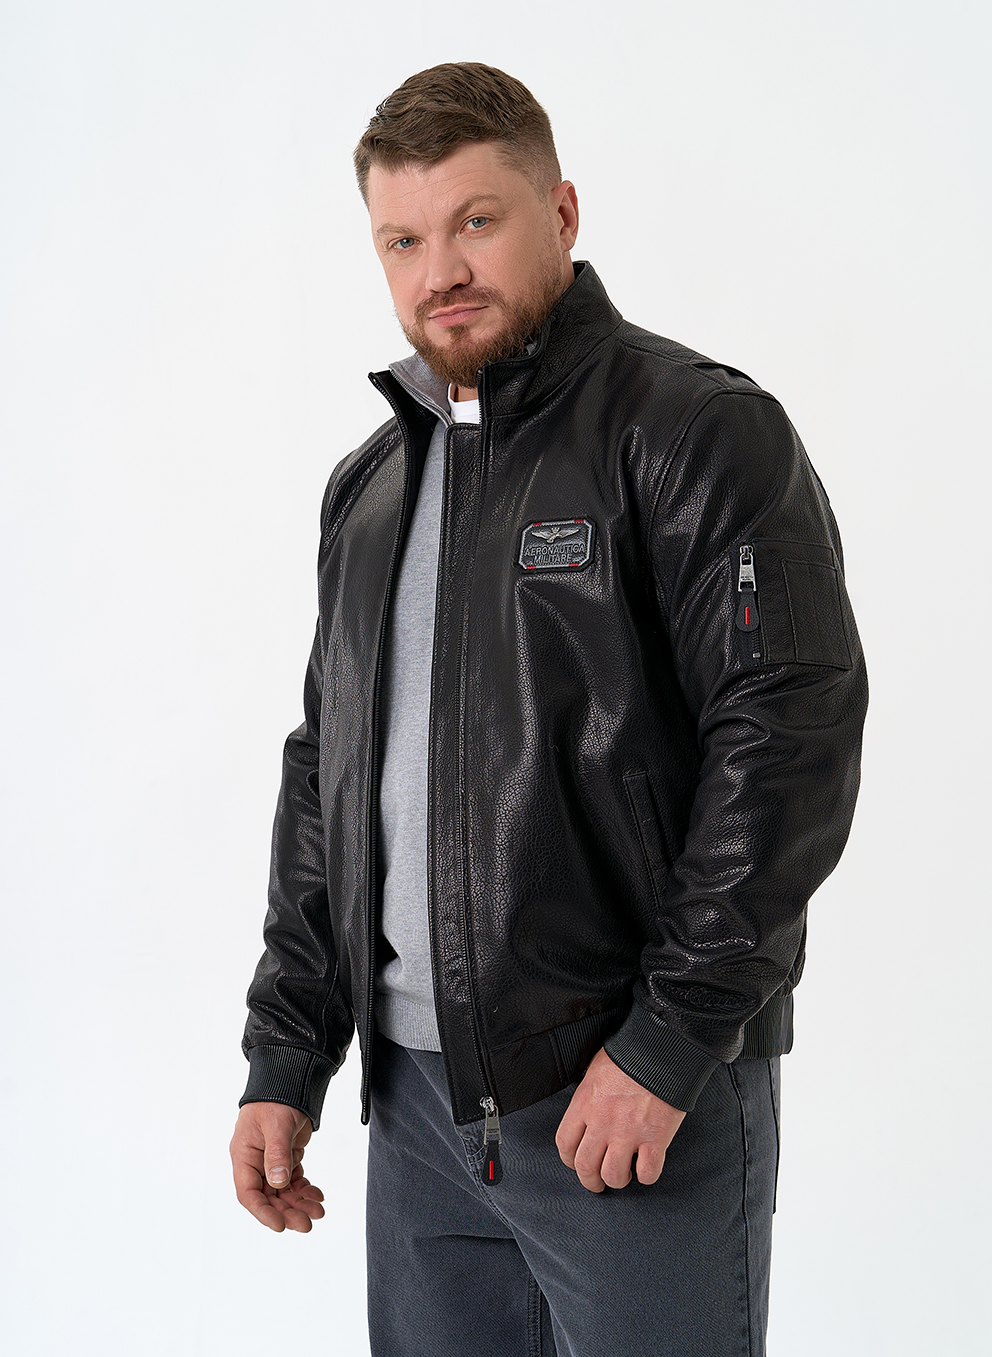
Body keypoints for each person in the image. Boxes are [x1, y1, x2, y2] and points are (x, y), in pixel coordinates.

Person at [229, 61, 868, 1357]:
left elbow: (788, 733)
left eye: (477, 220)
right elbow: (328, 775)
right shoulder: (370, 490)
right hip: (418, 1122)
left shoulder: (694, 431)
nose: (441, 270)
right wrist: (286, 1054)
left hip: (628, 1101)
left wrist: (670, 1041)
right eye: (403, 240)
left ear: (562, 213)